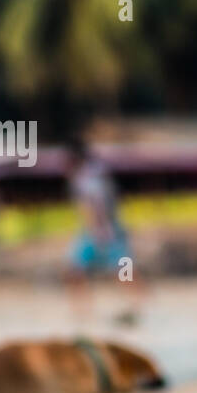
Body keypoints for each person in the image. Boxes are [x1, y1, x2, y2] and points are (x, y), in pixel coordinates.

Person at [64, 138, 140, 324]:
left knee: (78, 268)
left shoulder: (85, 178)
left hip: (100, 231)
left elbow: (94, 206)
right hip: (108, 229)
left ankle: (84, 310)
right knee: (123, 269)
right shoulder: (98, 172)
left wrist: (99, 231)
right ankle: (137, 302)